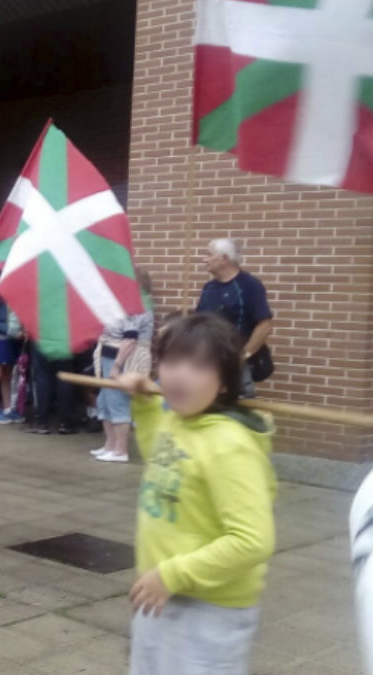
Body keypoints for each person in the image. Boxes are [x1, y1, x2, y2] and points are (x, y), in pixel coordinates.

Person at [115, 313, 275, 675]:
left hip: (208, 608)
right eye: (172, 361)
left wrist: (172, 575)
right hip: (161, 594)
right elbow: (160, 452)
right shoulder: (179, 419)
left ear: (223, 383)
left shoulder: (229, 447)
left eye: (200, 365)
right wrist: (143, 402)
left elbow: (252, 540)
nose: (180, 374)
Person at [196, 238, 273, 397]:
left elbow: (264, 326)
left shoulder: (249, 285)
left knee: (236, 412)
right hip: (210, 363)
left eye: (209, 255)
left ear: (224, 258)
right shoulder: (208, 287)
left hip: (237, 368)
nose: (204, 259)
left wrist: (241, 357)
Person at [92, 271, 155, 463]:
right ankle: (109, 445)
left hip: (124, 359)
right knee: (104, 401)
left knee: (118, 402)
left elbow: (129, 341)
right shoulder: (123, 304)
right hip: (108, 356)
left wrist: (116, 366)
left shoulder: (137, 306)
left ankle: (121, 450)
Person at [0, 293, 23, 424]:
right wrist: (10, 330)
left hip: (12, 341)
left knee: (7, 374)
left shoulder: (16, 298)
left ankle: (7, 409)